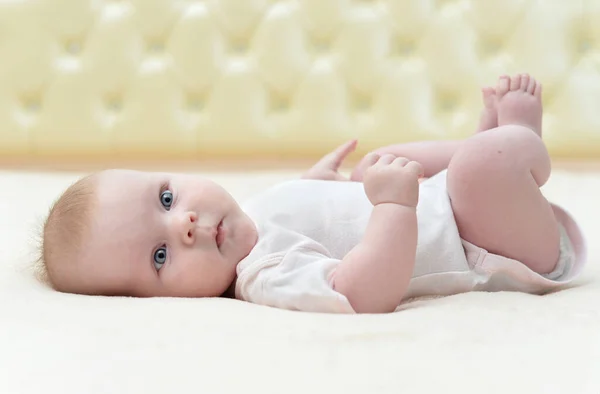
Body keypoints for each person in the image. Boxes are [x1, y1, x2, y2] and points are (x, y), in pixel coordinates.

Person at [38, 74, 586, 314]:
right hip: (500, 249)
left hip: (464, 209)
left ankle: (488, 151)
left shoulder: (248, 219)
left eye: (165, 199)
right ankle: (513, 147)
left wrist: (318, 186)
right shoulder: (265, 275)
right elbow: (362, 293)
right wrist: (393, 206)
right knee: (465, 173)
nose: (183, 224)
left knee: (376, 162)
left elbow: (306, 216)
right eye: (160, 256)